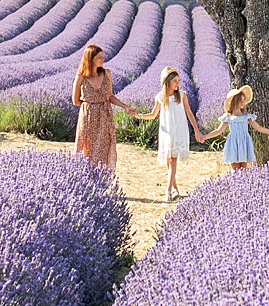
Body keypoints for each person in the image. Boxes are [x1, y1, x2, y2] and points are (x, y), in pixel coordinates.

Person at [131, 65, 206, 200]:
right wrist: (139, 116)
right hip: (166, 132)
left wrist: (196, 130)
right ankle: (175, 188)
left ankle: (168, 191)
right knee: (169, 161)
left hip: (178, 131)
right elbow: (153, 115)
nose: (178, 83)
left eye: (178, 80)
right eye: (175, 81)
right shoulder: (160, 97)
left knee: (173, 161)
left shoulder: (182, 95)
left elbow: (189, 113)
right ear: (167, 82)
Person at [72, 44, 136, 171]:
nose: (103, 59)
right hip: (88, 117)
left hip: (104, 117)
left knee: (103, 148)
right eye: (99, 57)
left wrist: (125, 107)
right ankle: (84, 178)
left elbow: (110, 96)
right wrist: (91, 105)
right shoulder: (80, 77)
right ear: (90, 59)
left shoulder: (107, 74)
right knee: (87, 149)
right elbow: (75, 101)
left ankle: (100, 179)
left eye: (102, 57)